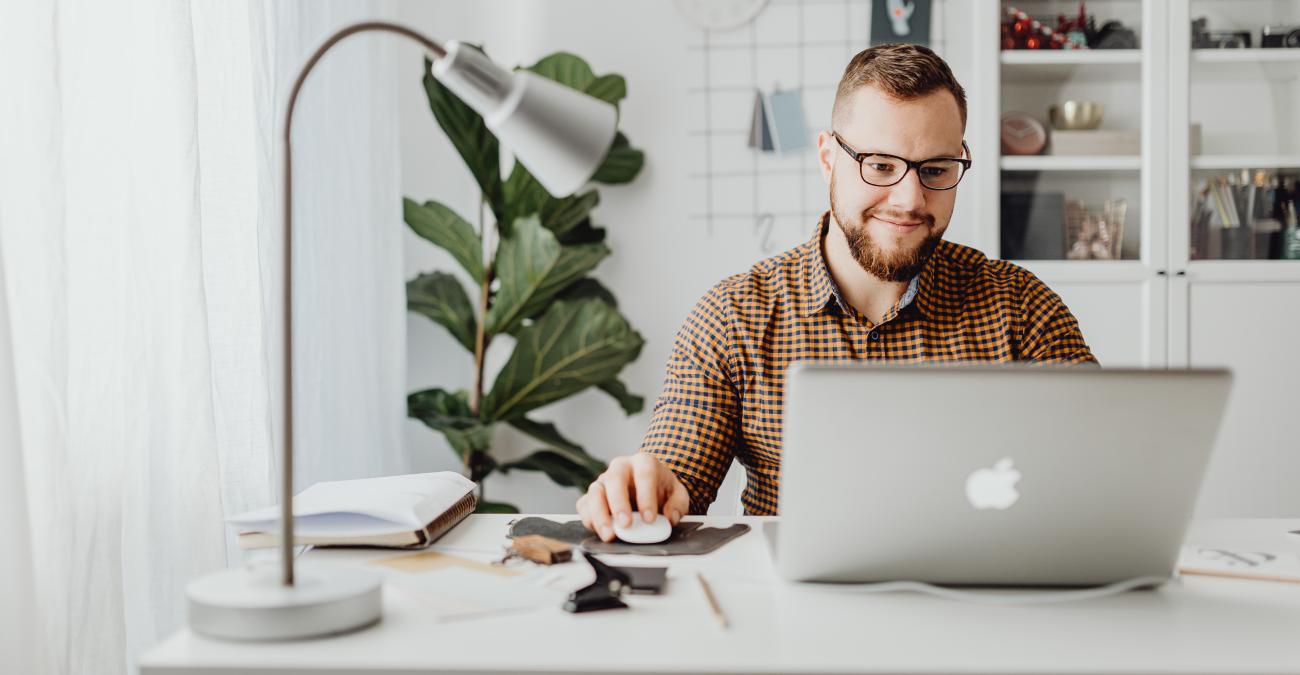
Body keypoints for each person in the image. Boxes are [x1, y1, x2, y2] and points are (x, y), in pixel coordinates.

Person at [576, 43, 1097, 542]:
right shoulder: (735, 315)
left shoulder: (1022, 308)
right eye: (880, 165)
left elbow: (1104, 466)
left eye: (936, 170)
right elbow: (677, 472)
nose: (910, 199)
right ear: (828, 157)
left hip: (983, 604)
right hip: (794, 615)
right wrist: (648, 488)